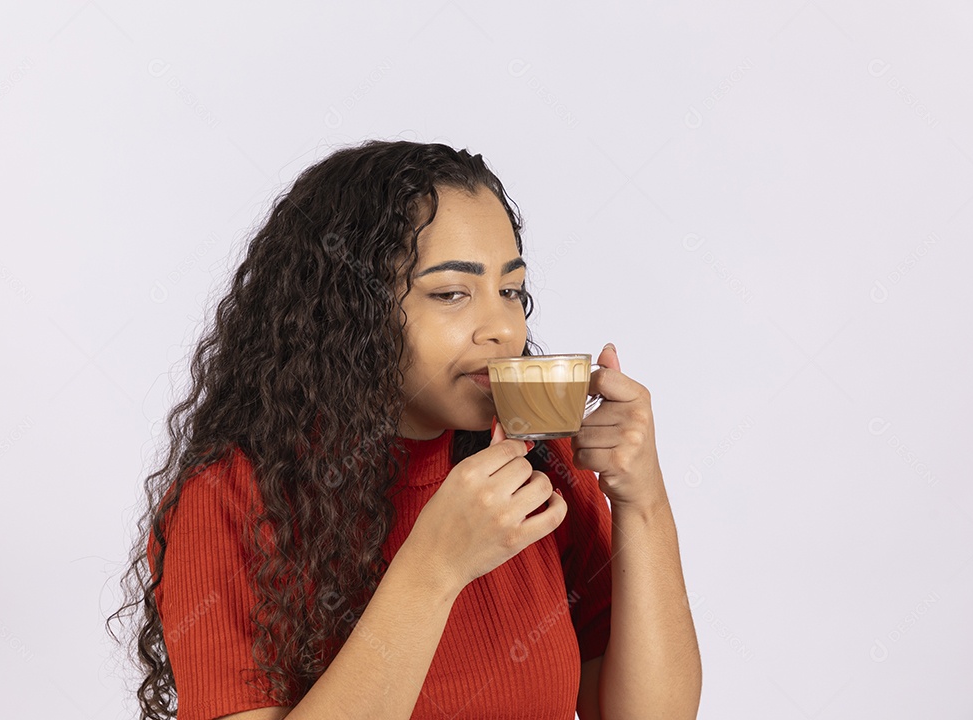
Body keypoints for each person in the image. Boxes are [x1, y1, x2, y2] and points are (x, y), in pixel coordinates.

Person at [107, 139, 701, 720]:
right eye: (451, 293)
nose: (502, 329)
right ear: (347, 312)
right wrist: (434, 570)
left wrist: (642, 500)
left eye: (511, 290)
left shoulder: (546, 468)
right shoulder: (231, 499)